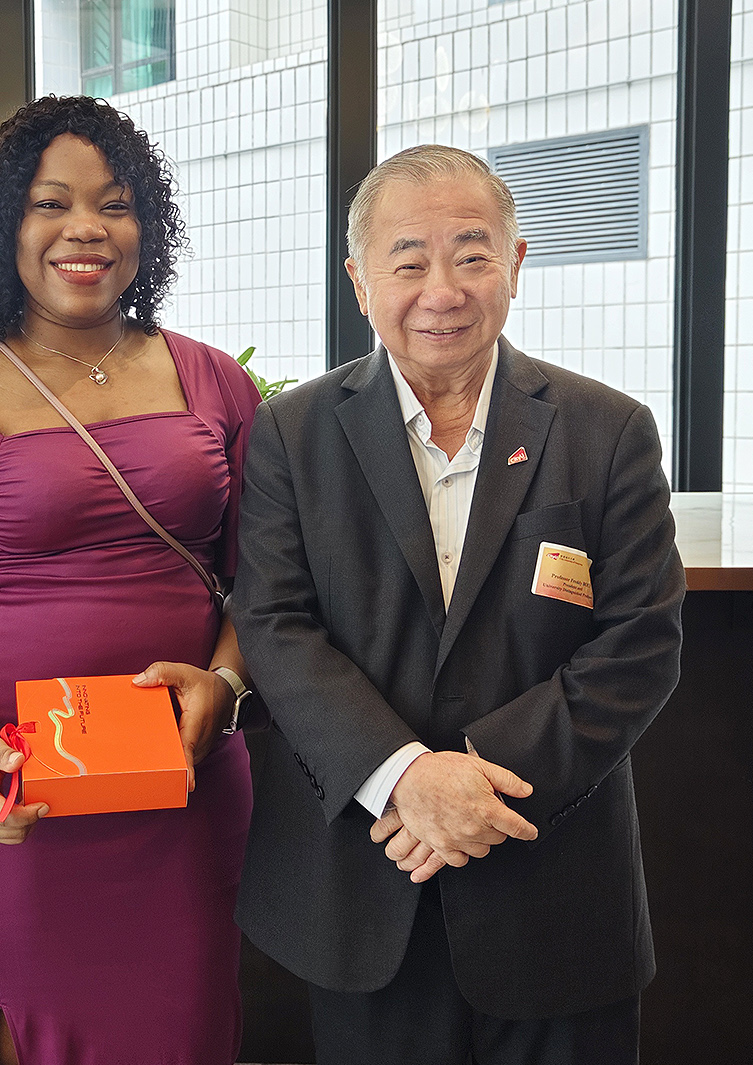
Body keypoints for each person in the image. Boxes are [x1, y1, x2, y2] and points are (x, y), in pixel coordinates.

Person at [231, 143, 685, 1065]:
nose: (441, 289)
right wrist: (405, 776)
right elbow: (276, 626)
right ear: (360, 281)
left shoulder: (607, 430)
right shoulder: (291, 432)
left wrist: (468, 779)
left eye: (472, 255)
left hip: (553, 883)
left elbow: (640, 643)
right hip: (366, 879)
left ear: (515, 264)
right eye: (409, 260)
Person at [0, 95, 261, 1065]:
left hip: (181, 785)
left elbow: (267, 586)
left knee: (181, 1026)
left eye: (113, 204)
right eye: (50, 204)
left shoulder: (215, 385)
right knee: (18, 1031)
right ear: (7, 227)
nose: (85, 228)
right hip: (10, 791)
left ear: (145, 227)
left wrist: (227, 687)